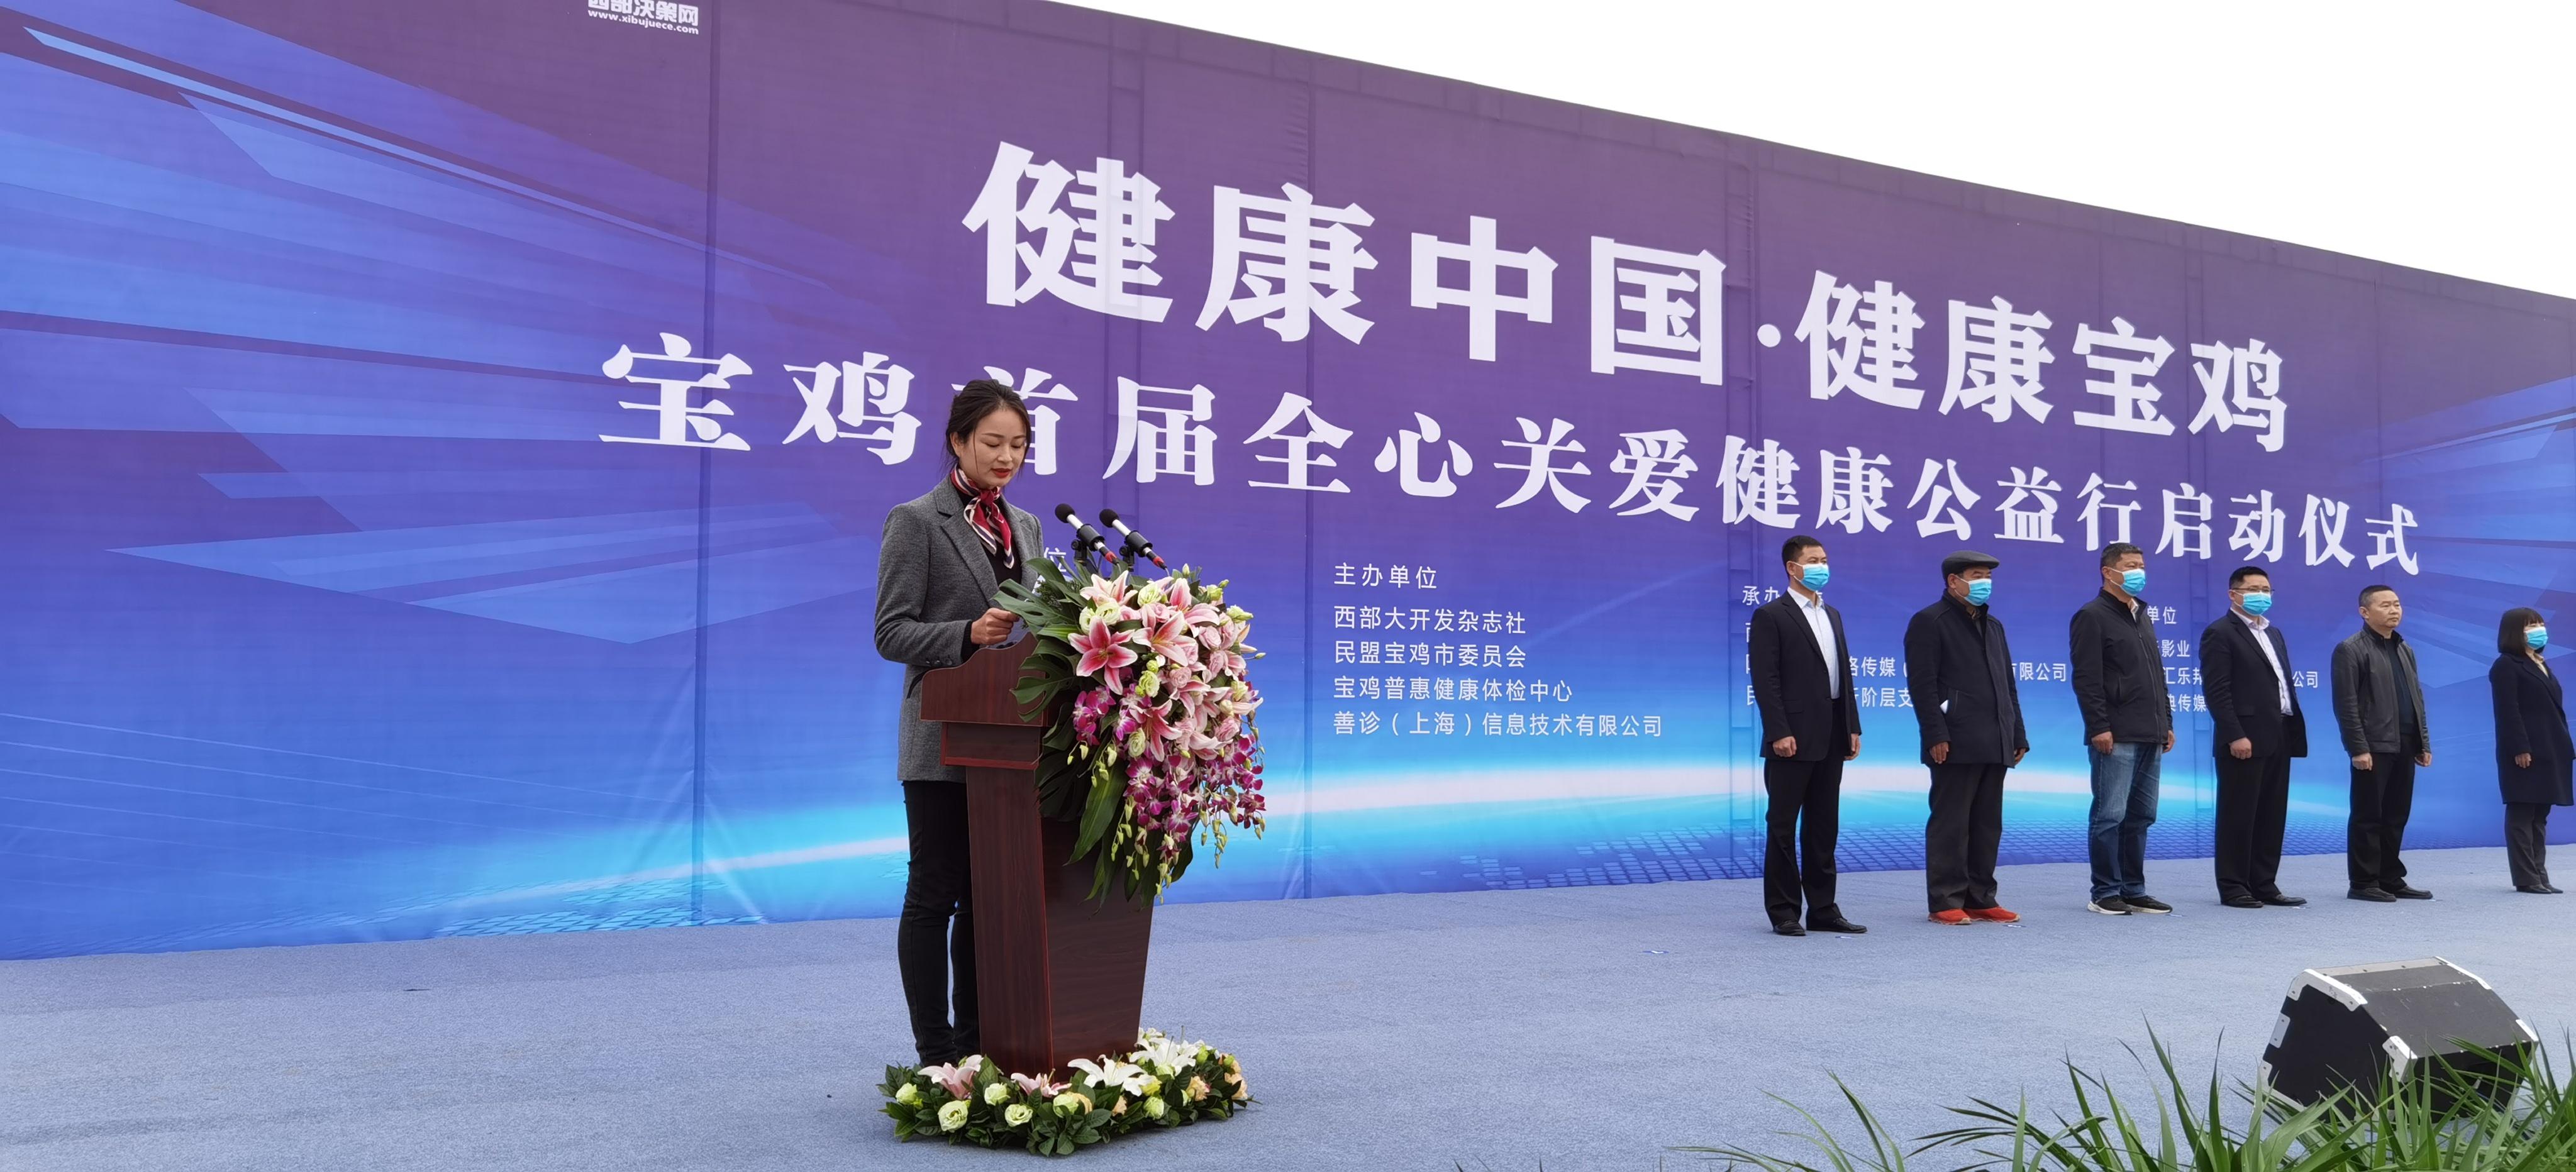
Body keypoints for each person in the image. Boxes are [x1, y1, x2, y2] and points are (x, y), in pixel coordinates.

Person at [872, 380, 1041, 1064]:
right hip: (941, 734)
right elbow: (890, 632)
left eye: (1018, 445)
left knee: (986, 896)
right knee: (935, 891)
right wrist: (967, 633)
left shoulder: (1026, 526)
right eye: (993, 442)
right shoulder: (917, 520)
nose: (1007, 457)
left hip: (1010, 740)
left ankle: (979, 1046)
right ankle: (935, 1054)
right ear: (958, 441)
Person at [1904, 550, 2028, 926]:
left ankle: (1980, 897)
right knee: (1951, 822)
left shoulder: (1994, 626)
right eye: (1977, 575)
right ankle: (1945, 899)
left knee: (1987, 824)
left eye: (1988, 576)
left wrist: (2017, 732)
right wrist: (1935, 733)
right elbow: (1922, 685)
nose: (1984, 582)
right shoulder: (1930, 621)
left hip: (1996, 737)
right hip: (1954, 739)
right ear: (1953, 581)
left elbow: (2008, 685)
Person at [1749, 535, 1865, 936]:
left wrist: (1852, 725)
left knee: (1823, 826)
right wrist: (1779, 731)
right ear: (1792, 567)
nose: (1822, 567)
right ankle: (1784, 911)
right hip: (1792, 737)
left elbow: (1844, 676)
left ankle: (1823, 910)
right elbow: (1766, 680)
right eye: (1813, 560)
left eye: (1824, 559)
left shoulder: (1832, 614)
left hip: (1832, 732)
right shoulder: (1771, 615)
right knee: (1783, 827)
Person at [2067, 543, 2174, 915]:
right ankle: (2105, 891)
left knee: (2141, 815)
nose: (2138, 572)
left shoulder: (2141, 614)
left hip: (2151, 731)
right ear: (2108, 572)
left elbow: (2157, 674)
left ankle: (2133, 889)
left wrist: (2167, 722)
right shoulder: (2091, 615)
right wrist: (2099, 726)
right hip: (2116, 733)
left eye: (2141, 565)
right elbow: (2086, 678)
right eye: (2130, 566)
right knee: (2110, 816)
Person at [2199, 567, 2309, 909]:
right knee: (2239, 814)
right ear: (2234, 594)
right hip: (2243, 738)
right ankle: (2234, 886)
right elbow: (2217, 691)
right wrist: (2234, 734)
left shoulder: (2273, 633)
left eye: (2266, 589)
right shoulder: (2220, 632)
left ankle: (2264, 883)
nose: (2262, 595)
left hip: (2279, 732)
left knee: (2271, 814)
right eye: (2253, 589)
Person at [2330, 584, 2433, 902]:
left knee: (2396, 814)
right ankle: (2363, 882)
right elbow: (2346, 704)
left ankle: (2390, 877)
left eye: (2397, 604)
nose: (2394, 610)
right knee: (2368, 815)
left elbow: (2417, 699)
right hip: (2373, 745)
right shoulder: (2350, 649)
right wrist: (2358, 748)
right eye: (2385, 605)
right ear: (2365, 612)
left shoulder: (2405, 649)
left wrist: (2424, 742)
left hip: (2405, 742)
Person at [2489, 607, 2570, 893]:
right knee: (2522, 813)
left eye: (2540, 623)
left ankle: (2540, 874)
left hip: (2550, 749)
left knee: (2540, 815)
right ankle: (2526, 877)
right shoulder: (2506, 665)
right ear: (2514, 631)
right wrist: (2520, 747)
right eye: (2530, 625)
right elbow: (2508, 711)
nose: (2539, 629)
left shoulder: (2540, 663)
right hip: (2524, 751)